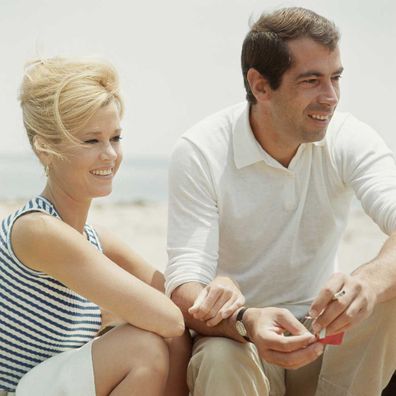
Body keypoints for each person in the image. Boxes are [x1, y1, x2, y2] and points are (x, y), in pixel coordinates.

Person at [165, 7, 396, 396]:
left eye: (335, 77)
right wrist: (244, 320)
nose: (331, 97)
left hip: (324, 335)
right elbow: (184, 286)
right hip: (244, 340)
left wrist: (368, 283)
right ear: (260, 86)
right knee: (219, 357)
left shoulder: (348, 137)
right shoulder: (200, 150)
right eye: (311, 81)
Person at [0, 57, 192, 396]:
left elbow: (175, 303)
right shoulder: (37, 230)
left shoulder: (93, 238)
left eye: (115, 138)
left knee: (170, 342)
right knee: (142, 347)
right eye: (91, 141)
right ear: (45, 149)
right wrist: (123, 313)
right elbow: (169, 317)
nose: (110, 154)